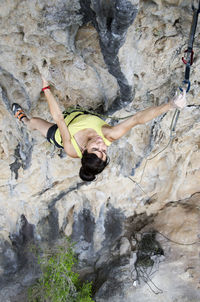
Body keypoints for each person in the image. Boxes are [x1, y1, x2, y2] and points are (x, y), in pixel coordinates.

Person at [12, 78, 186, 181]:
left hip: (61, 131)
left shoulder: (72, 149)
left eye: (95, 149)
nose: (101, 144)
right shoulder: (109, 135)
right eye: (103, 150)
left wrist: (46, 88)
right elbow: (137, 119)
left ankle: (22, 119)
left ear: (84, 150)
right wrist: (170, 106)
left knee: (34, 122)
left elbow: (58, 119)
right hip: (77, 115)